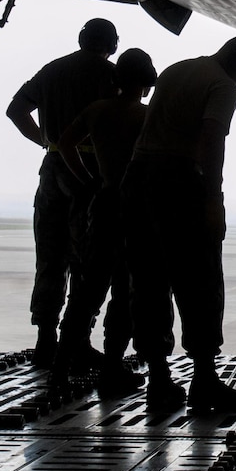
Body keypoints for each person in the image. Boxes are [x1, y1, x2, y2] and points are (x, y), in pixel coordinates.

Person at [123, 35, 236, 416]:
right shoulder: (221, 85)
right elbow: (211, 141)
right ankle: (204, 380)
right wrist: (213, 201)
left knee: (148, 282)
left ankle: (159, 380)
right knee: (199, 281)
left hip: (137, 180)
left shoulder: (177, 70)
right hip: (178, 182)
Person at [7, 18, 120, 368]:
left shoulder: (53, 70)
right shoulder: (111, 76)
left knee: (50, 257)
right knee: (86, 261)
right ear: (111, 44)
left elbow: (16, 110)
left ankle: (45, 339)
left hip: (53, 167)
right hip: (90, 174)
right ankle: (79, 340)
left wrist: (46, 141)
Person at [54, 47, 159, 397]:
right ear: (146, 81)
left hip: (103, 201)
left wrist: (87, 180)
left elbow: (65, 143)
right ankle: (113, 368)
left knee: (86, 291)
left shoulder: (96, 111)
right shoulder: (147, 116)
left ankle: (59, 369)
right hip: (135, 208)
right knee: (125, 291)